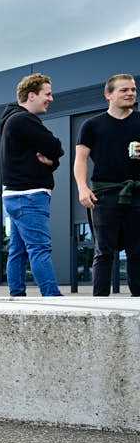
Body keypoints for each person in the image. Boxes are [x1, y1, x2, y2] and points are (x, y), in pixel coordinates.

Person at [0, 73, 64, 297]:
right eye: (48, 94)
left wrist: (50, 162)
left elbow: (48, 156)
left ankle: (16, 295)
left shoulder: (9, 121)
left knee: (18, 250)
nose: (51, 99)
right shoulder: (24, 120)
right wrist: (52, 160)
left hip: (15, 195)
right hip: (30, 195)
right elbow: (56, 147)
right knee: (39, 248)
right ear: (32, 95)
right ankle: (52, 297)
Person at [73, 73, 139, 297]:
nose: (130, 93)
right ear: (108, 95)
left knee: (137, 251)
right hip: (104, 193)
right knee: (104, 252)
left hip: (137, 193)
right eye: (124, 90)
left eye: (133, 89)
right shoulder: (92, 125)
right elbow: (80, 159)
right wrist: (83, 187)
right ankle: (99, 303)